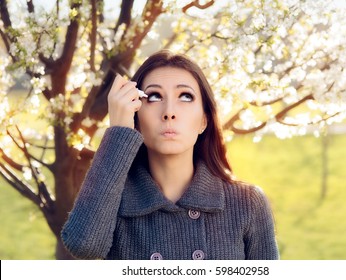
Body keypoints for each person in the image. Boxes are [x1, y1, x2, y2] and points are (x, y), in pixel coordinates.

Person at [61, 50, 279, 260]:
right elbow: (83, 245)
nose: (169, 112)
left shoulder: (247, 203)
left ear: (204, 120)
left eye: (185, 96)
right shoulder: (113, 202)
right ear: (135, 117)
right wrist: (119, 132)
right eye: (154, 96)